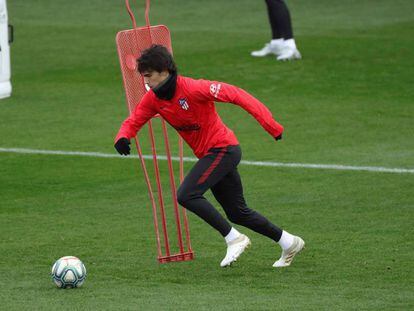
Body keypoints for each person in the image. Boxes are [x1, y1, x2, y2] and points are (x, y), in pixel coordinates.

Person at [114, 45, 304, 268]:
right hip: (212, 155)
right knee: (238, 212)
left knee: (187, 194)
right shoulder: (154, 99)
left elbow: (236, 94)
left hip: (223, 149)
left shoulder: (194, 88)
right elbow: (135, 119)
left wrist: (271, 125)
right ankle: (289, 242)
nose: (146, 82)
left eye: (149, 76)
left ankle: (234, 238)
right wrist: (123, 136)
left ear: (164, 70)